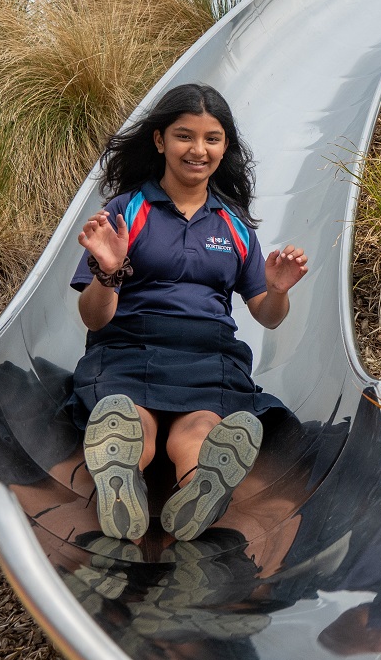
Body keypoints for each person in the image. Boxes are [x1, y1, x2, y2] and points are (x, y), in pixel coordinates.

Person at [70, 83, 309, 542]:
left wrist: (277, 290)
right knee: (129, 418)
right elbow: (94, 318)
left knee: (200, 428)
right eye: (185, 136)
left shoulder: (234, 224)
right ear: (159, 140)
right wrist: (108, 271)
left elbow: (269, 316)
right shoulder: (125, 211)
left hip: (209, 353)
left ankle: (199, 487)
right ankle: (122, 477)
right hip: (129, 343)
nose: (198, 150)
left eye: (212, 138)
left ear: (224, 147)